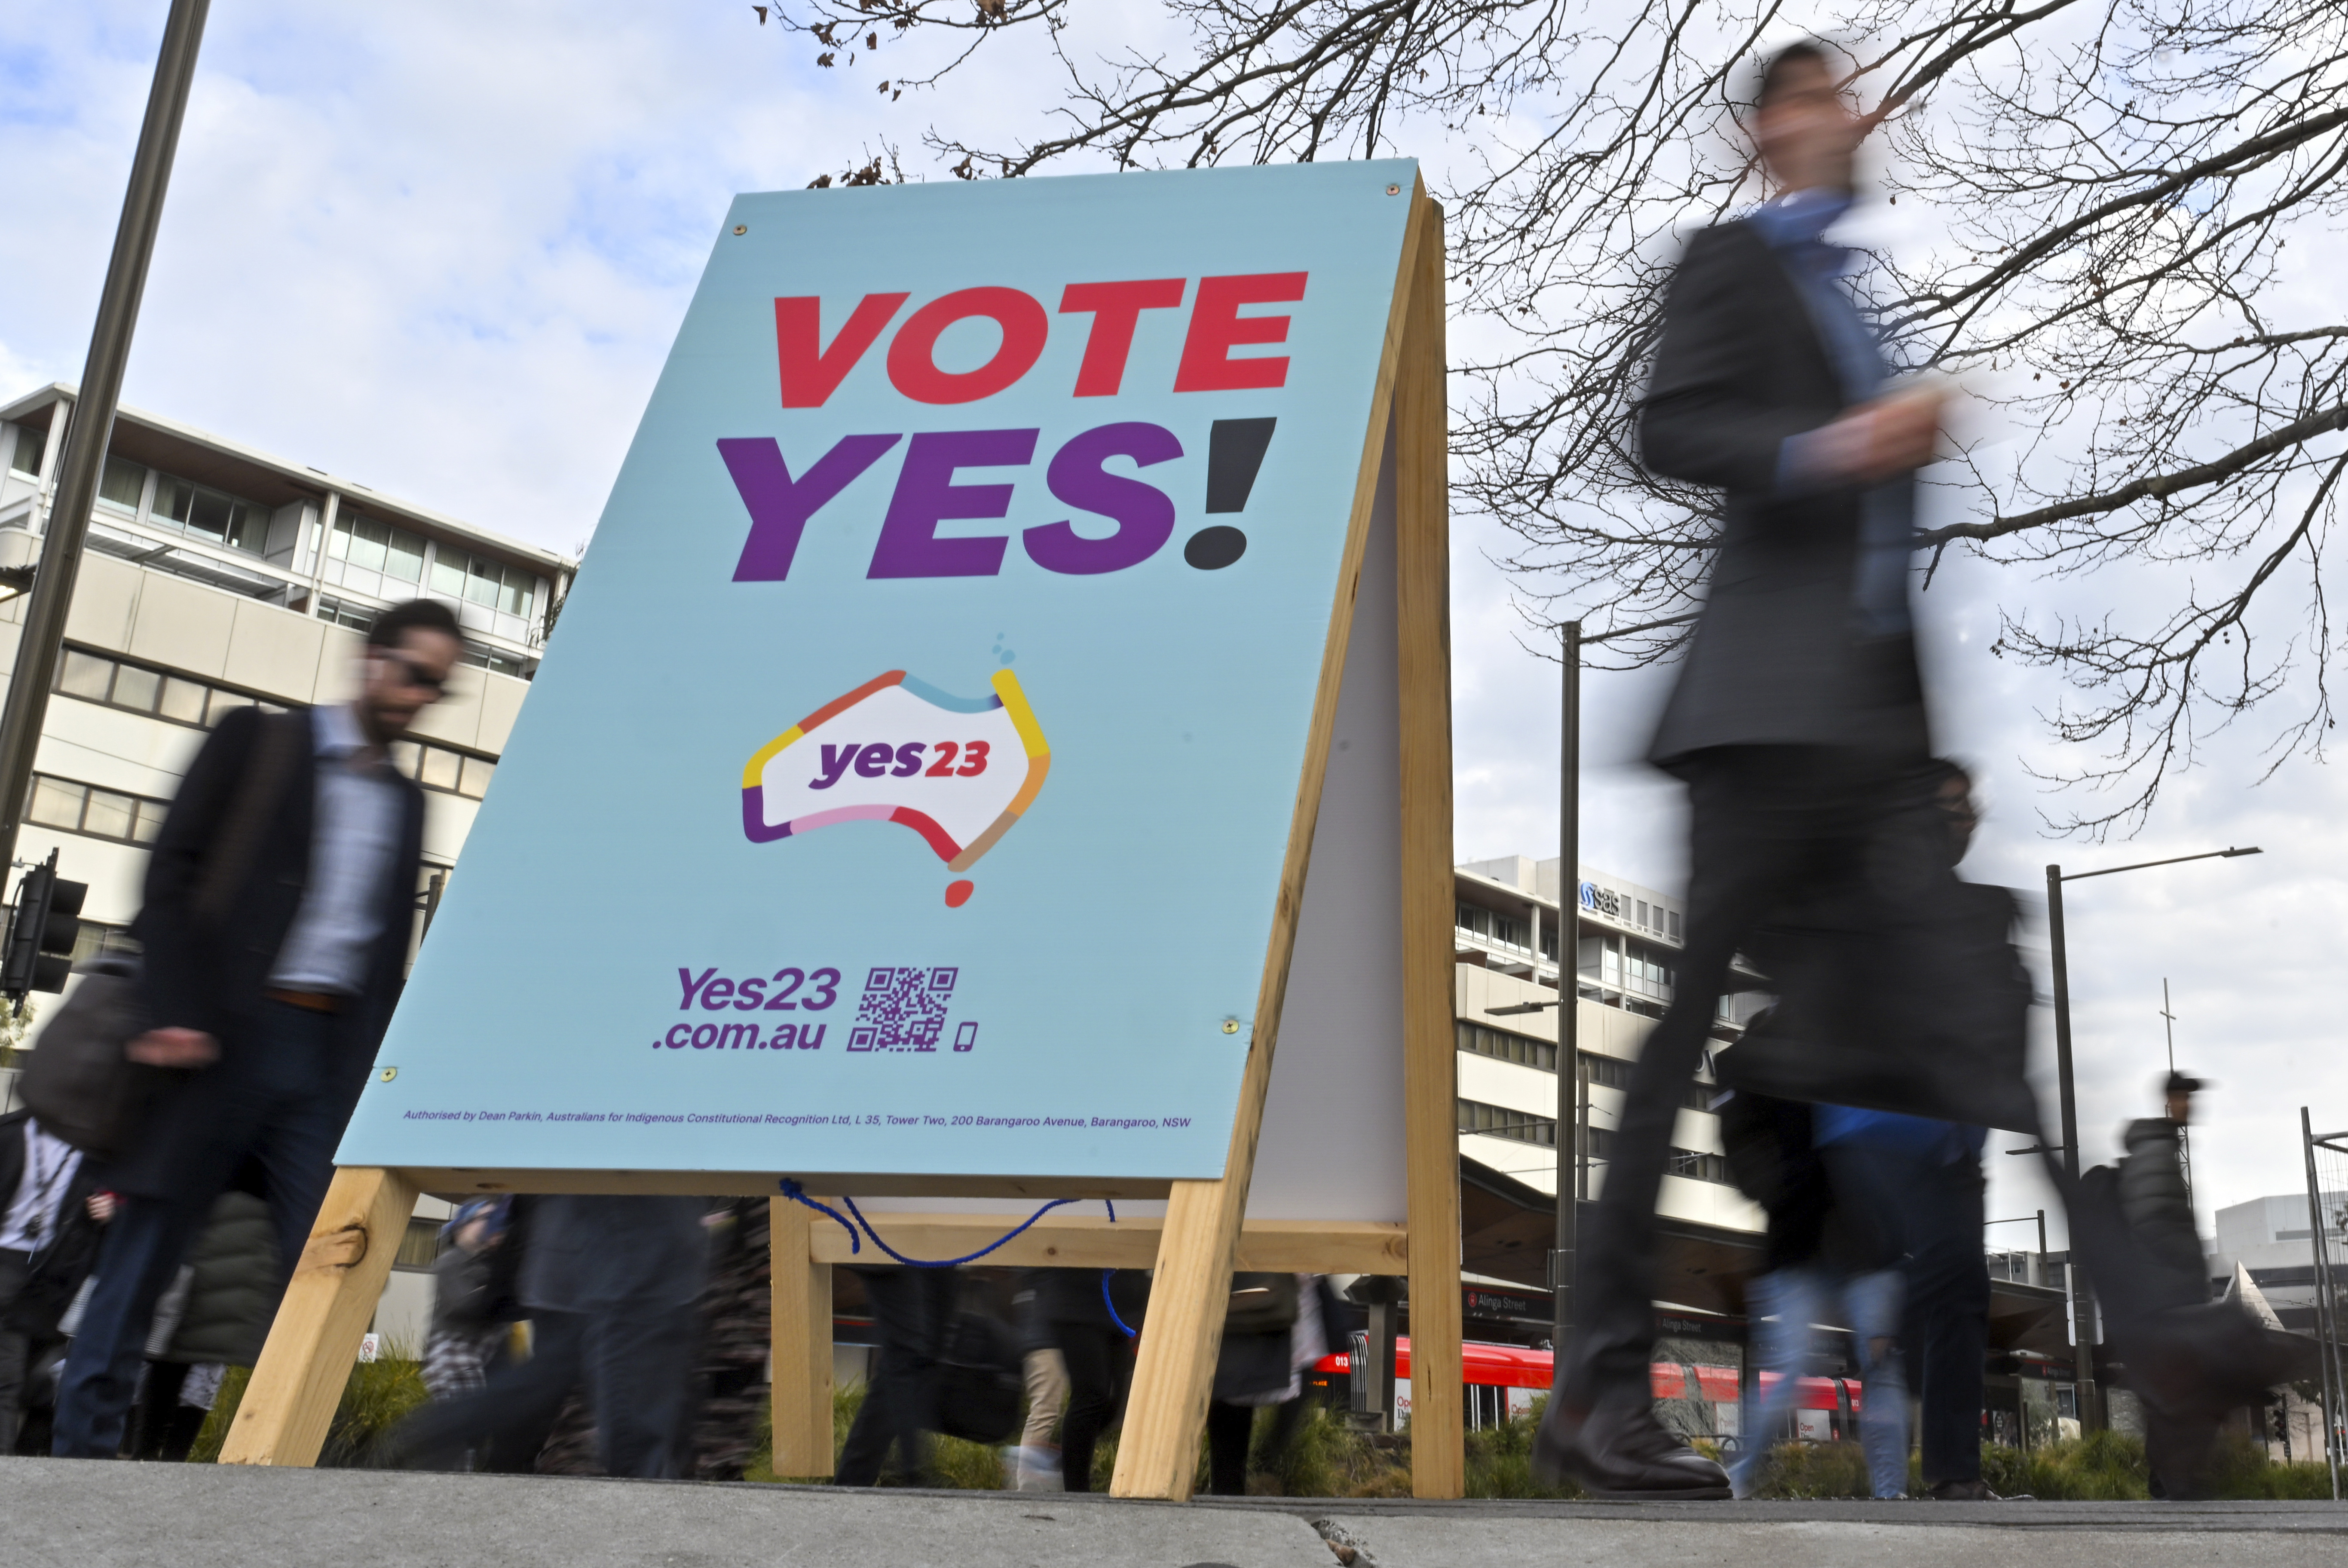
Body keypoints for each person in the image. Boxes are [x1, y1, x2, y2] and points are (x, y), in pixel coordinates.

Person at [1534, 38, 1950, 1498]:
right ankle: (1596, 1396)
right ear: (1771, 129)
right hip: (1764, 723)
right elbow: (1671, 426)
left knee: (1947, 1029)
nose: (1852, 117)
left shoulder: (1860, 298)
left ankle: (2147, 1339)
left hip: (1869, 733)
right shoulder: (1730, 263)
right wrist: (1837, 442)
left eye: (1859, 95)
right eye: (1823, 95)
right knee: (1682, 1027)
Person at [52, 599, 457, 1459]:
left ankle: (280, 1462)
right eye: (416, 673)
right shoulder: (257, 743)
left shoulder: (408, 805)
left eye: (439, 687)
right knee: (145, 1257)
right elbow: (169, 877)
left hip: (325, 1057)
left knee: (328, 1259)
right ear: (371, 659)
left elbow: (384, 961)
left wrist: (378, 1081)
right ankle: (81, 1459)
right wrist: (175, 1010)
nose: (422, 697)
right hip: (216, 1042)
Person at [387, 1194, 710, 1477]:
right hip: (623, 1240)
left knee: (552, 1372)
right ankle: (647, 1495)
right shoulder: (452, 1262)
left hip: (568, 1249)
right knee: (627, 1381)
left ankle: (435, 1430)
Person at [1718, 1076, 1907, 1500]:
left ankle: (1891, 1493)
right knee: (1823, 1365)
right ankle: (1743, 1474)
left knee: (1862, 1363)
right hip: (1812, 1243)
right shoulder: (1757, 1075)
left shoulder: (1831, 1054)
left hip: (1857, 1245)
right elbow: (1748, 1160)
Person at [130, 1185, 279, 1462]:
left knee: (169, 1364)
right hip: (232, 1273)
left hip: (197, 1269)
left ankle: (149, 1455)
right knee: (195, 1368)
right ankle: (171, 1459)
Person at [0, 1109, 110, 1450]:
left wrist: (112, 1212)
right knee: (6, 1381)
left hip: (58, 1275)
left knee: (39, 1383)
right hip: (6, 1264)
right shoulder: (11, 1133)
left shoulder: (98, 1152)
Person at [835, 1264, 959, 1487]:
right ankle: (912, 1471)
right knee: (906, 1354)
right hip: (888, 1246)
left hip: (933, 1246)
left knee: (923, 1355)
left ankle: (855, 1478)